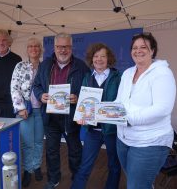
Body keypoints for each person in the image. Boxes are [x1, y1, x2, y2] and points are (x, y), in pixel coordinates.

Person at [115, 32, 176, 189]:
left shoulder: (162, 73)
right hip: (123, 139)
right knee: (137, 183)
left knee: (136, 186)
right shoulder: (128, 73)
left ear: (152, 50)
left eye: (143, 47)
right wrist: (97, 112)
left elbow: (162, 109)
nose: (138, 50)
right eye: (134, 47)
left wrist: (130, 118)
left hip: (150, 142)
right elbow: (118, 102)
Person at [33, 32, 90, 189]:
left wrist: (78, 97)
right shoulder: (45, 65)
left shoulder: (81, 66)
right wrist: (40, 95)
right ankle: (53, 179)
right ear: (54, 47)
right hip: (50, 118)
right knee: (51, 151)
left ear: (71, 47)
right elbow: (36, 85)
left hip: (70, 117)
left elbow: (89, 88)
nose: (62, 50)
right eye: (59, 47)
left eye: (66, 47)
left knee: (74, 151)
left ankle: (77, 179)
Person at [71, 43, 121, 189]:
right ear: (91, 59)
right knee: (84, 166)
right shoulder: (87, 77)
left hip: (112, 131)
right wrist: (81, 115)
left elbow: (122, 103)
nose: (99, 59)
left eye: (103, 56)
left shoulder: (118, 77)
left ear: (109, 58)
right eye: (96, 56)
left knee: (114, 166)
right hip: (92, 131)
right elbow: (84, 101)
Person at [10, 38, 44, 187]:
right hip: (25, 110)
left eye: (37, 46)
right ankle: (27, 170)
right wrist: (20, 107)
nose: (34, 48)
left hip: (42, 110)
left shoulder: (45, 66)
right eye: (31, 46)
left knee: (38, 141)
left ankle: (36, 166)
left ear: (40, 49)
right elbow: (14, 87)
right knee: (26, 143)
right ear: (27, 49)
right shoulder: (20, 66)